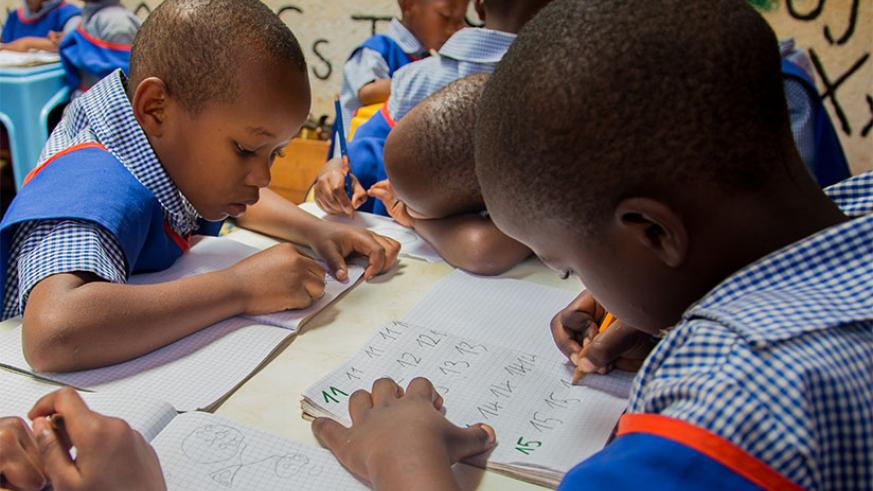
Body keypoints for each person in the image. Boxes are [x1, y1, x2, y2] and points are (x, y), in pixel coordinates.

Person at [312, 1, 873, 489]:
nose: (583, 289)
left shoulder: (733, 411)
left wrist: (405, 463)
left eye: (568, 265)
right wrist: (666, 310)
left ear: (653, 234)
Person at [0, 0, 400, 373]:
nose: (263, 178)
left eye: (274, 154)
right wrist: (239, 288)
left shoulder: (164, 142)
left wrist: (316, 230)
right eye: (245, 149)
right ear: (155, 107)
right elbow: (54, 332)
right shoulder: (93, 184)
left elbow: (236, 198)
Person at [315, 0, 554, 216]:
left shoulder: (415, 78)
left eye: (459, 20)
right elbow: (363, 102)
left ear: (479, 7)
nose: (453, 29)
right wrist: (336, 167)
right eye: (446, 17)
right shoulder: (384, 52)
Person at [367, 74, 530, 274]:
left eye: (409, 205)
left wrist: (413, 220)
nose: (398, 199)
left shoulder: (550, 186)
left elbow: (480, 250)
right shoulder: (510, 118)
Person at [0, 0, 80, 52]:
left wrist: (28, 43)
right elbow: (4, 42)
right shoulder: (14, 17)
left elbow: (75, 43)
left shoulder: (69, 14)